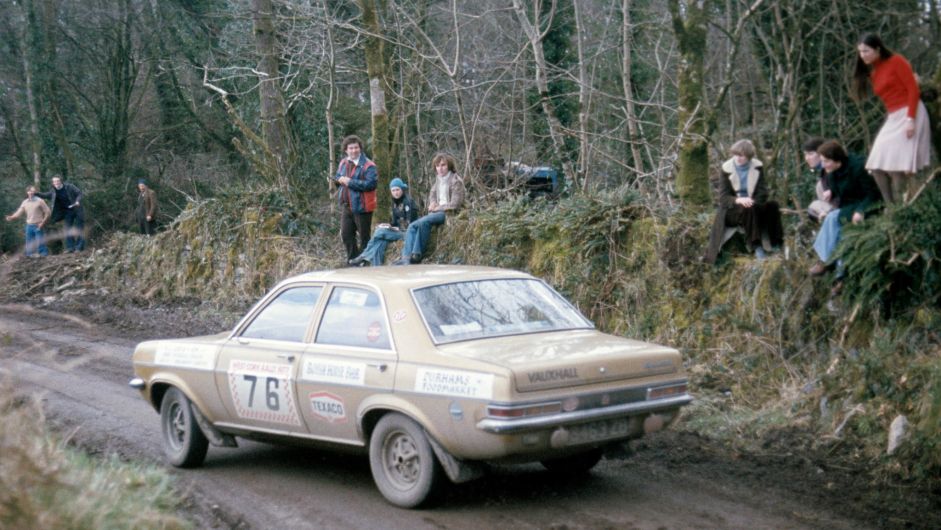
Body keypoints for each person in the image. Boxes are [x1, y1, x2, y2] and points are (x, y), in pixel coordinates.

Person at [853, 33, 932, 203]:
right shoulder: (873, 73)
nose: (862, 55)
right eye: (860, 52)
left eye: (866, 51)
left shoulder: (896, 61)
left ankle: (902, 208)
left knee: (898, 166)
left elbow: (912, 90)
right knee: (875, 165)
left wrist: (910, 119)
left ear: (877, 49)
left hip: (911, 112)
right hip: (893, 117)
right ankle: (892, 208)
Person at [704, 139, 784, 264]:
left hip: (753, 204)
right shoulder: (726, 168)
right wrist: (739, 200)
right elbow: (723, 198)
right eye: (735, 155)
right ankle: (756, 246)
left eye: (741, 156)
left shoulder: (757, 166)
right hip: (731, 210)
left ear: (749, 156)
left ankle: (776, 243)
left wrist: (752, 201)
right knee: (748, 208)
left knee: (773, 205)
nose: (737, 158)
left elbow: (763, 192)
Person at [809, 140, 882, 276]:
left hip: (866, 206)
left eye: (826, 161)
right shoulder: (831, 172)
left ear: (837, 160)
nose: (823, 165)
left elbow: (872, 194)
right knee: (839, 231)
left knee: (833, 219)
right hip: (848, 207)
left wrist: (861, 211)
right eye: (822, 161)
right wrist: (832, 192)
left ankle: (826, 262)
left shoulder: (858, 166)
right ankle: (837, 274)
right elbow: (841, 191)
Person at [394, 153, 465, 265]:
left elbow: (455, 204)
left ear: (449, 166)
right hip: (437, 211)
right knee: (413, 226)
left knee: (424, 222)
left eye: (443, 165)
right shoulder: (438, 180)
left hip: (449, 213)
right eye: (437, 166)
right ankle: (406, 257)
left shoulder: (456, 180)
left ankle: (417, 254)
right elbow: (432, 194)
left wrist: (438, 208)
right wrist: (432, 203)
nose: (440, 169)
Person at [348, 178, 419, 266]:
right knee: (380, 242)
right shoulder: (394, 203)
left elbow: (410, 224)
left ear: (402, 189)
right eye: (393, 190)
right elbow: (394, 222)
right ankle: (376, 268)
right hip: (399, 231)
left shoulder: (408, 202)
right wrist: (388, 225)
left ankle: (363, 255)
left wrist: (394, 228)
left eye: (397, 190)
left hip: (408, 233)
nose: (395, 193)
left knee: (379, 232)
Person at [334, 135, 378, 261]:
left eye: (356, 148)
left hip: (362, 207)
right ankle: (353, 261)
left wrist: (350, 182)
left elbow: (371, 184)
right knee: (346, 235)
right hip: (346, 206)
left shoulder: (369, 165)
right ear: (346, 150)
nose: (354, 151)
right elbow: (338, 176)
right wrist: (337, 180)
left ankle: (365, 262)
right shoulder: (343, 162)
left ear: (360, 149)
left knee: (364, 238)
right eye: (351, 148)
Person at [35, 175, 85, 253]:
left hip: (77, 209)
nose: (56, 183)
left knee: (79, 228)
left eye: (57, 181)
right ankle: (70, 248)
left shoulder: (69, 187)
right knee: (67, 229)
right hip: (68, 211)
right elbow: (44, 195)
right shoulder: (53, 191)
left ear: (61, 181)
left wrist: (78, 201)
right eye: (54, 181)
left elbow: (79, 193)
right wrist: (35, 193)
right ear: (53, 183)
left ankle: (79, 247)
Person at [4, 185, 51, 258]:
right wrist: (12, 217)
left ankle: (43, 256)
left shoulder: (40, 201)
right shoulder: (25, 202)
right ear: (27, 192)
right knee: (29, 242)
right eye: (30, 191)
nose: (31, 192)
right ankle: (29, 256)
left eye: (33, 191)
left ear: (34, 192)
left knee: (40, 242)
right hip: (29, 225)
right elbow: (19, 212)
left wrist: (43, 222)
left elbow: (48, 212)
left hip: (38, 224)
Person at [803, 137, 834, 222]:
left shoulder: (835, 169)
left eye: (810, 154)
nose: (807, 158)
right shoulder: (823, 175)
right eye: (805, 154)